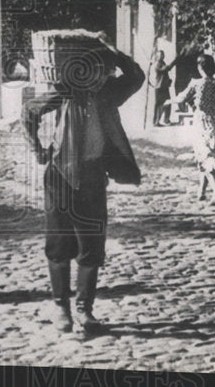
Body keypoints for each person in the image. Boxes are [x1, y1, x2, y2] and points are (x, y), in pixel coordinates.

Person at [22, 33, 145, 334]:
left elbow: (137, 75)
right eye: (97, 70)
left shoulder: (108, 94)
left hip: (92, 177)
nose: (103, 76)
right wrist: (38, 149)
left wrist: (110, 49)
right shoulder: (64, 92)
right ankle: (60, 308)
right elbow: (28, 112)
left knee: (92, 247)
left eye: (106, 71)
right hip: (60, 177)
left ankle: (84, 311)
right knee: (59, 244)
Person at [164, 54, 215, 205]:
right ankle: (202, 191)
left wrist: (168, 101)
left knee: (206, 157)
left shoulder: (196, 84)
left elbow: (182, 98)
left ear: (200, 67)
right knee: (207, 155)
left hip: (201, 123)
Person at [149, 50, 178, 126]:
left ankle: (166, 120)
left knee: (168, 103)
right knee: (158, 105)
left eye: (163, 55)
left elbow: (166, 71)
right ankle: (156, 122)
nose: (162, 56)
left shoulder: (162, 63)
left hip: (164, 86)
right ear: (157, 56)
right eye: (160, 55)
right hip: (159, 87)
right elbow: (166, 69)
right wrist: (175, 61)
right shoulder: (157, 64)